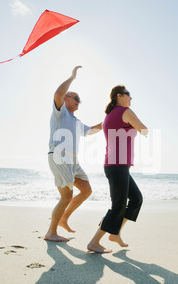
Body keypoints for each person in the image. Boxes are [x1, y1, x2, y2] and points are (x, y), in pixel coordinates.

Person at [87, 85, 148, 253]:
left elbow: (94, 129)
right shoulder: (125, 112)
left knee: (136, 199)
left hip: (118, 166)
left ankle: (115, 233)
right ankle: (94, 242)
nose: (131, 98)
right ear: (120, 96)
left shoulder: (108, 115)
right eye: (129, 95)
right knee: (118, 206)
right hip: (117, 166)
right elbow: (144, 130)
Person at [45, 66, 102, 242]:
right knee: (66, 196)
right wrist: (72, 77)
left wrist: (109, 119)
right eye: (76, 98)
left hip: (73, 160)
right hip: (59, 155)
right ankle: (51, 232)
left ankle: (63, 218)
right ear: (66, 98)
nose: (79, 101)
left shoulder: (76, 121)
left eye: (80, 99)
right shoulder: (60, 112)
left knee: (86, 190)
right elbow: (57, 94)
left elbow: (92, 130)